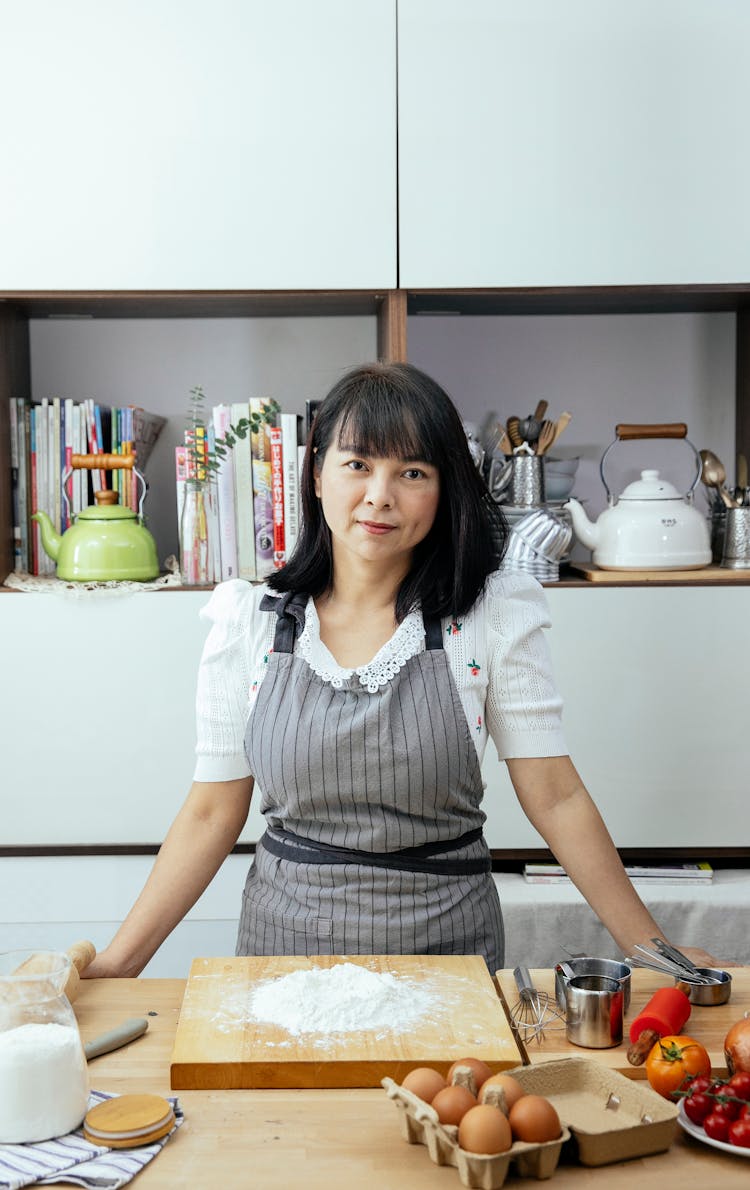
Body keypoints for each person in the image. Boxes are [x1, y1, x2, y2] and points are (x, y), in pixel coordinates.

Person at [86, 361, 717, 978]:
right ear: (315, 473)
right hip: (282, 962)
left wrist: (653, 950)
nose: (379, 496)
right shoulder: (248, 621)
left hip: (448, 964)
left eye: (411, 471)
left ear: (443, 491)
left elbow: (557, 795)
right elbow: (210, 813)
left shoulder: (492, 614)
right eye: (357, 464)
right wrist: (118, 965)